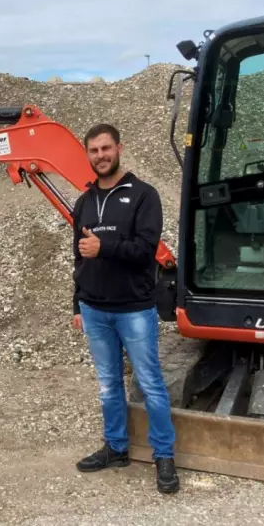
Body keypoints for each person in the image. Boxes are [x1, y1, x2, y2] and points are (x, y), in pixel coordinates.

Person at [71, 123, 179, 494]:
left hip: (134, 309)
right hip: (95, 310)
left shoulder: (143, 195)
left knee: (150, 383)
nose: (100, 156)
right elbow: (79, 259)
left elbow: (145, 250)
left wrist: (105, 246)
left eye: (105, 148)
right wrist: (77, 303)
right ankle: (116, 448)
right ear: (87, 155)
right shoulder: (83, 203)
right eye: (93, 151)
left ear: (119, 148)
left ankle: (164, 455)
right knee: (108, 386)